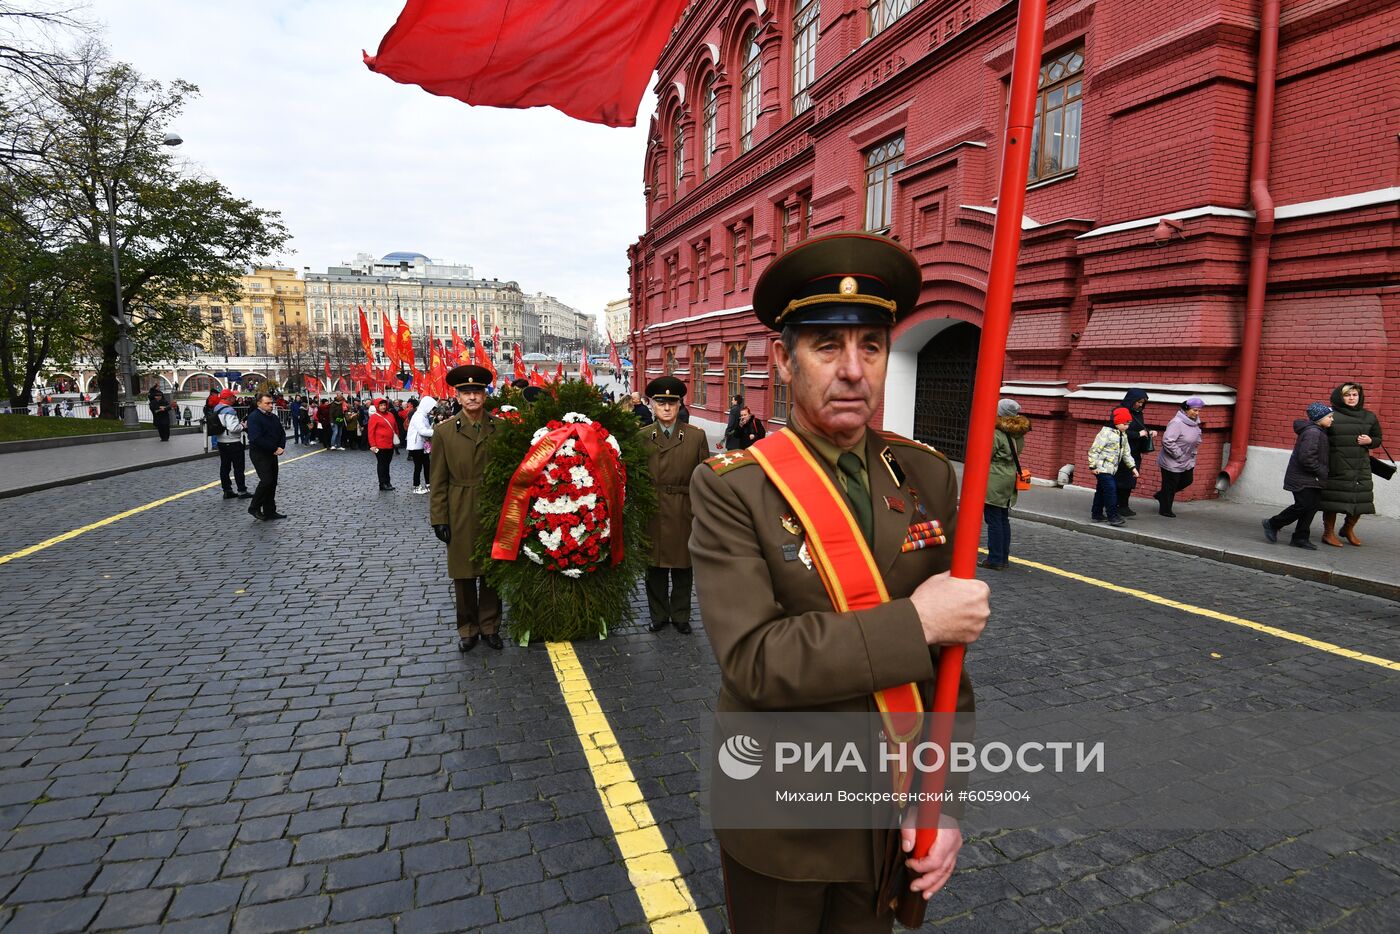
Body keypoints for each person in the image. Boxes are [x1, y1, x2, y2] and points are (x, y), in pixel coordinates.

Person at [690, 231, 988, 931]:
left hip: (886, 814)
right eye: (827, 346)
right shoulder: (734, 489)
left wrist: (943, 801)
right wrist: (915, 623)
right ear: (784, 361)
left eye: (873, 346)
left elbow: (952, 669)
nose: (854, 370)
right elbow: (755, 661)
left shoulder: (926, 475)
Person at [430, 365, 503, 652]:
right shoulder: (444, 432)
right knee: (463, 574)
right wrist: (439, 518)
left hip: (492, 507)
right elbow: (437, 480)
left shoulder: (500, 427)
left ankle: (490, 626)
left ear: (485, 395)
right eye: (466, 393)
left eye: (477, 392)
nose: (472, 397)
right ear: (457, 397)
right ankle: (468, 629)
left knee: (492, 571)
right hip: (459, 507)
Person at [642, 375, 711, 634]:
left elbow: (704, 480)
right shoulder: (642, 437)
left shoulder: (695, 437)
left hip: (684, 510)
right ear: (652, 405)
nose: (667, 408)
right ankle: (658, 614)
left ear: (680, 405)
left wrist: (702, 515)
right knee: (655, 569)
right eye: (661, 403)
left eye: (672, 403)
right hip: (654, 511)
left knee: (683, 568)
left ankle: (681, 615)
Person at [1320, 382, 1384, 547]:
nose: (1351, 398)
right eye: (1347, 395)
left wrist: (1370, 441)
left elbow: (1377, 439)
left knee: (1362, 500)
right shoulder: (1331, 414)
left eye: (1354, 394)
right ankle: (1328, 533)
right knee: (1332, 501)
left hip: (1360, 466)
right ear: (1340, 397)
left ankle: (1347, 529)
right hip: (1337, 465)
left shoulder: (1369, 416)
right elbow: (1319, 437)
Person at [1263, 403, 1333, 550]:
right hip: (1304, 478)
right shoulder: (1313, 433)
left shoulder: (1318, 431)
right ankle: (1273, 523)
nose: (1332, 420)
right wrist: (1321, 471)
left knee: (1311, 507)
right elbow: (1306, 458)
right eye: (1329, 417)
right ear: (1319, 418)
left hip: (1311, 478)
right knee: (1303, 506)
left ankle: (1300, 538)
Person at [982, 398, 1031, 569]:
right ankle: (1003, 558)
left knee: (993, 519)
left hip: (995, 477)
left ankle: (995, 559)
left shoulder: (997, 433)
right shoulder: (1018, 433)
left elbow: (985, 456)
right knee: (1003, 519)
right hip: (1009, 477)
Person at [1155, 398, 1204, 517]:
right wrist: (1178, 454)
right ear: (1186, 409)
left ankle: (1162, 495)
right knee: (1170, 485)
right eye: (1194, 410)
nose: (1197, 413)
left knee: (1187, 480)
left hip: (1187, 458)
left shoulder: (1195, 423)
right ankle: (1165, 510)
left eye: (1198, 411)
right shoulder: (1177, 422)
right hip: (1172, 459)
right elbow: (1167, 441)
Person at [1090, 408, 1137, 526]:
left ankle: (1096, 514)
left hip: (1112, 469)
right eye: (1124, 424)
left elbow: (1126, 453)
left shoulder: (1123, 435)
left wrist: (1133, 467)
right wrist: (1093, 466)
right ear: (1117, 422)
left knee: (1101, 491)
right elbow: (1094, 450)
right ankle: (1113, 516)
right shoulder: (1106, 433)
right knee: (1111, 490)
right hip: (1102, 468)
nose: (1126, 426)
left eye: (1128, 424)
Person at [246, 392, 287, 520]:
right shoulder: (254, 417)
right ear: (259, 404)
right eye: (267, 403)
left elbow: (282, 433)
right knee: (266, 480)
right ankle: (254, 507)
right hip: (260, 454)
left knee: (273, 482)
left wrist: (281, 446)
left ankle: (270, 510)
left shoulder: (273, 417)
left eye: (271, 403)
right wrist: (274, 448)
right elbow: (256, 438)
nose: (270, 405)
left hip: (273, 453)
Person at [1114, 389, 1156, 517]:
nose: (1140, 405)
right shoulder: (1120, 411)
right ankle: (1114, 505)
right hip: (1122, 452)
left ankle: (1124, 506)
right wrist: (1138, 434)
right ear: (1131, 400)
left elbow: (1139, 427)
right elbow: (1118, 430)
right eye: (1138, 402)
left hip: (1135, 452)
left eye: (1142, 403)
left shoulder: (1138, 413)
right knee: (1121, 480)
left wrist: (1148, 432)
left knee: (1130, 480)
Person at [212, 389, 252, 500]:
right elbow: (233, 428)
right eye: (233, 397)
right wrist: (243, 426)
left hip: (221, 441)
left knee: (225, 467)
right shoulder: (229, 410)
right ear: (229, 398)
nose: (234, 399)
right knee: (238, 468)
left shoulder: (217, 408)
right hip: (233, 442)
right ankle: (242, 490)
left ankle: (227, 490)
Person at [407, 394, 437, 494]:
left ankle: (428, 484)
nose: (432, 410)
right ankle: (416, 486)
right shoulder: (418, 416)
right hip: (416, 445)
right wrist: (436, 432)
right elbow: (423, 431)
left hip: (422, 444)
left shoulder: (423, 415)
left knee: (426, 465)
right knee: (418, 466)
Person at [367, 398, 399, 490]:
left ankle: (387, 482)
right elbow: (371, 432)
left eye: (384, 405)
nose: (383, 407)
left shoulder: (391, 415)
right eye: (381, 405)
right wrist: (372, 445)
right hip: (379, 445)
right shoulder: (374, 417)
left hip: (390, 444)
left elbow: (395, 426)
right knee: (382, 464)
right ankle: (382, 483)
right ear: (377, 406)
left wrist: (397, 437)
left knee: (387, 464)